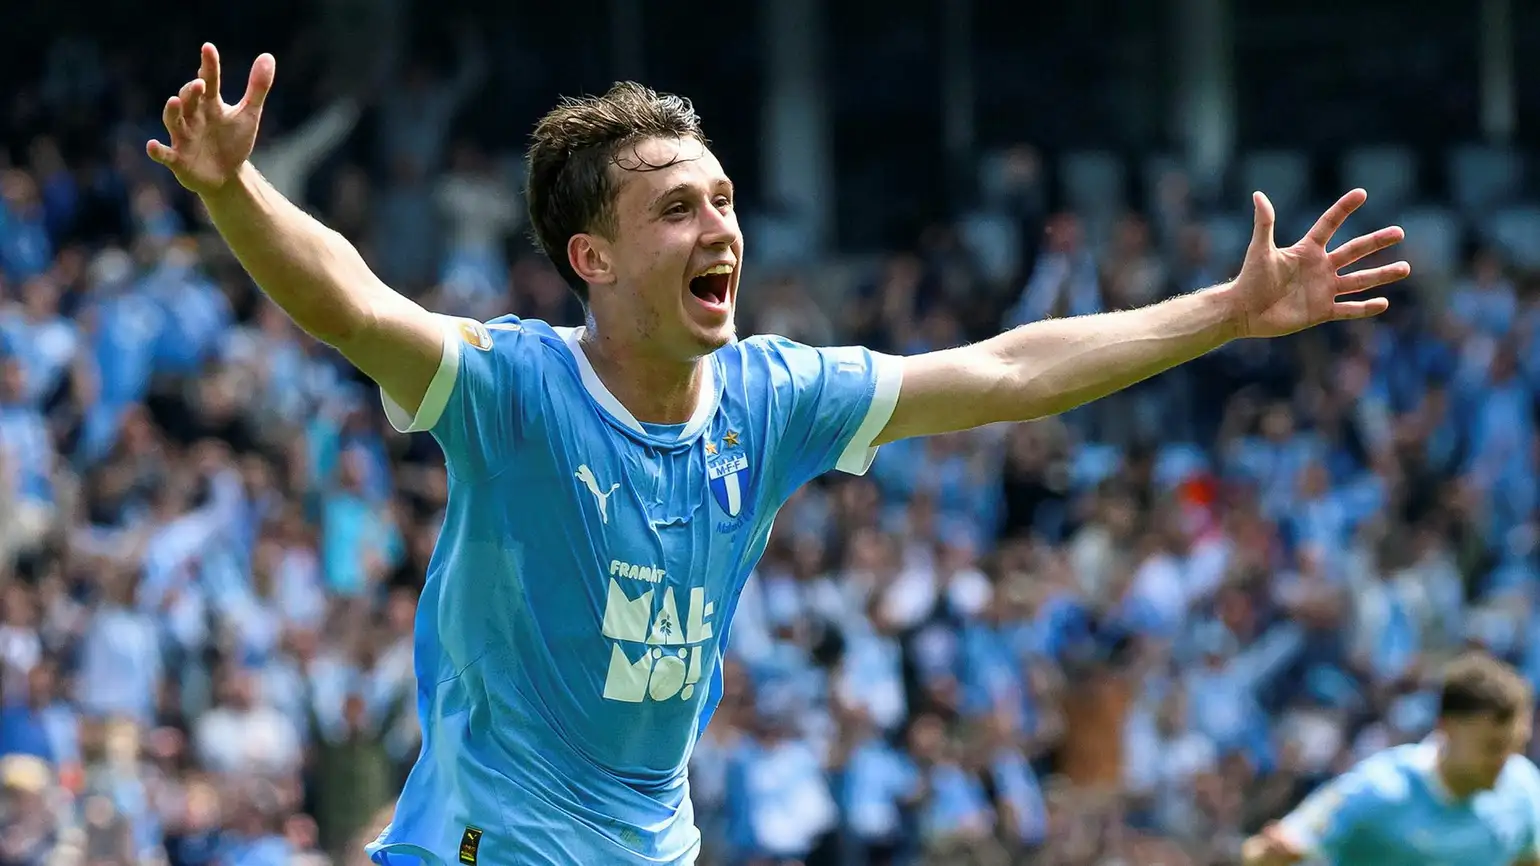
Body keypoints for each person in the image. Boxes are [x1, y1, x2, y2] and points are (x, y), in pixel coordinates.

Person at [147, 44, 1411, 866]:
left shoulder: (773, 396)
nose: (720, 227)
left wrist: (1225, 311)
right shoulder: (515, 391)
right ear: (592, 258)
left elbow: (1009, 371)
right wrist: (234, 194)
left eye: (724, 199)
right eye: (677, 208)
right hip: (485, 845)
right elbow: (353, 305)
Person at [1242, 651, 1540, 866]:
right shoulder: (1378, 790)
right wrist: (1271, 854)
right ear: (1446, 728)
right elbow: (1264, 851)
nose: (1506, 760)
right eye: (1492, 747)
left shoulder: (1523, 787)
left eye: (1516, 745)